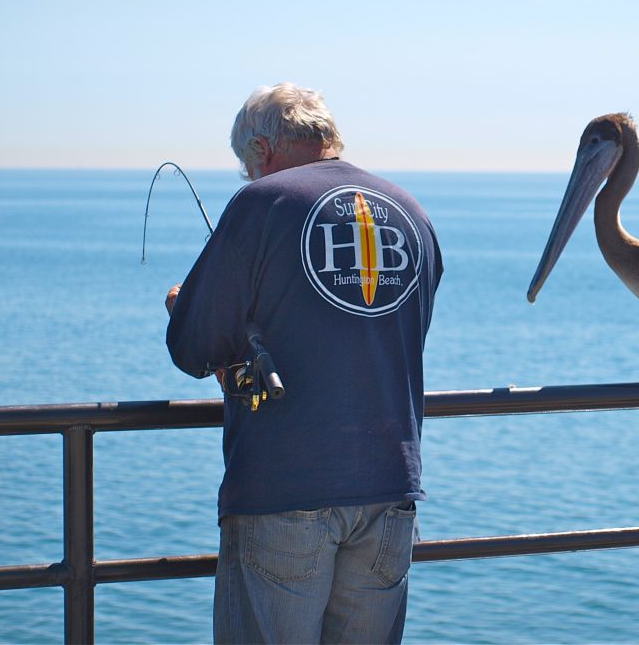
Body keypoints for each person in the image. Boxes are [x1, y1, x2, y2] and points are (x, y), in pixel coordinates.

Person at [165, 83, 443, 644]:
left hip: (285, 488)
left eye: (247, 166)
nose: (248, 178)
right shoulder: (410, 210)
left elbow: (195, 346)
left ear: (263, 150)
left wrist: (183, 309)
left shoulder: (262, 202)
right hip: (390, 490)